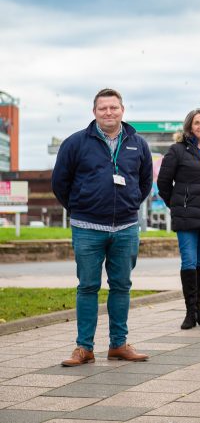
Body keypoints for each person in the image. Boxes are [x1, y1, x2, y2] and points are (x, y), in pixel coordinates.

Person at [52, 88, 153, 366]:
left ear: (122, 110)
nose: (109, 112)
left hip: (125, 227)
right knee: (88, 286)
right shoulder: (75, 143)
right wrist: (79, 207)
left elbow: (144, 183)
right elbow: (60, 183)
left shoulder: (138, 144)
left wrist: (130, 203)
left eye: (113, 108)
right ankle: (84, 348)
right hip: (87, 227)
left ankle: (118, 344)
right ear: (94, 112)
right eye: (103, 108)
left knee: (121, 286)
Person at [157, 109, 200, 330]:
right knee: (188, 261)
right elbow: (164, 184)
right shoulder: (177, 151)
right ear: (189, 127)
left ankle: (198, 310)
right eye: (196, 123)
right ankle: (189, 312)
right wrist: (177, 205)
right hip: (186, 216)